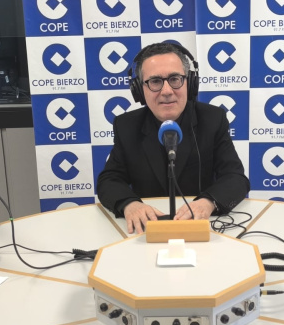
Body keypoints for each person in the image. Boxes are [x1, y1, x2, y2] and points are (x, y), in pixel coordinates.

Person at [97, 42, 250, 234]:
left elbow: (235, 177)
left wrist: (208, 202)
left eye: (175, 79)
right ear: (139, 90)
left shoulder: (212, 119)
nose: (167, 91)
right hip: (147, 231)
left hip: (200, 229)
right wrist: (129, 204)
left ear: (190, 83)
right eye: (155, 81)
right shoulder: (127, 126)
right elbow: (109, 180)